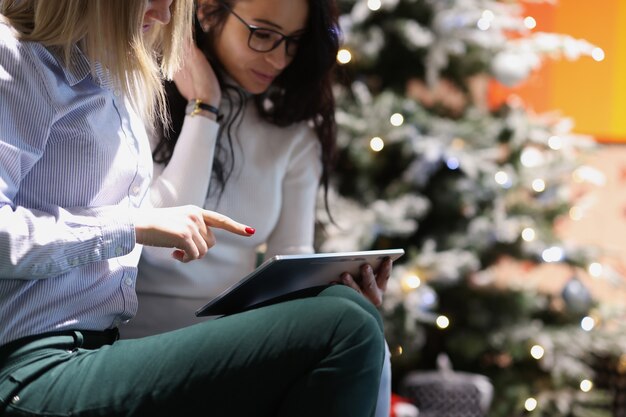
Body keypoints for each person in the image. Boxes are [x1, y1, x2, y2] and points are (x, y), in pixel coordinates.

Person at [0, 1, 386, 416]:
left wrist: (331, 282)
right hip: (37, 363)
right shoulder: (17, 58)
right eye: (263, 34)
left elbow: (154, 223)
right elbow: (147, 234)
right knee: (347, 327)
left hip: (99, 344)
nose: (166, 17)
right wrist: (131, 223)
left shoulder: (108, 80)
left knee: (352, 314)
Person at [120, 0, 394, 415]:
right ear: (208, 12)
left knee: (363, 328)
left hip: (231, 341)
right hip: (135, 340)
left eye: (295, 42)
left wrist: (336, 286)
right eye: (262, 34)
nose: (280, 58)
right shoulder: (139, 88)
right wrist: (204, 108)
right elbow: (161, 246)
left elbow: (294, 259)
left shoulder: (292, 129)